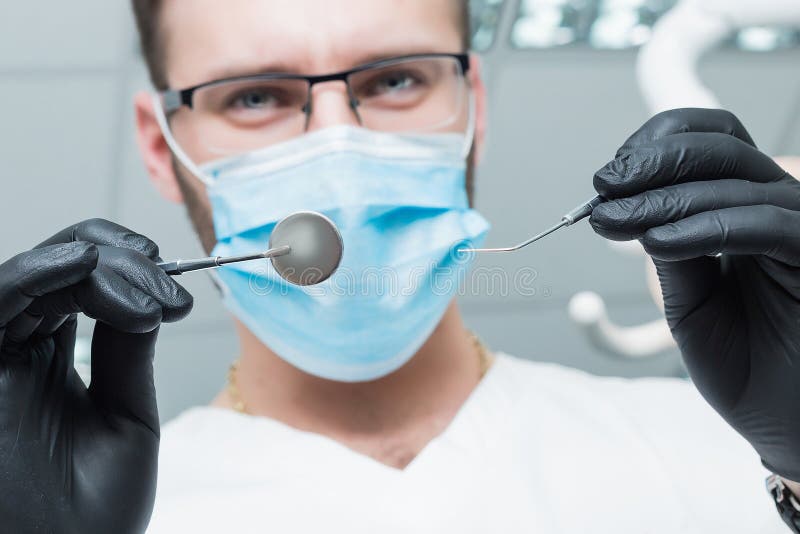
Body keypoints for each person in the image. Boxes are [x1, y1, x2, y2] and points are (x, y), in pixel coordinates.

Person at [1, 0, 800, 532]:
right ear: (158, 141)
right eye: (255, 96)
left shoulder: (727, 455)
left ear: (472, 106)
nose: (338, 149)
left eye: (394, 79)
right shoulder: (113, 508)